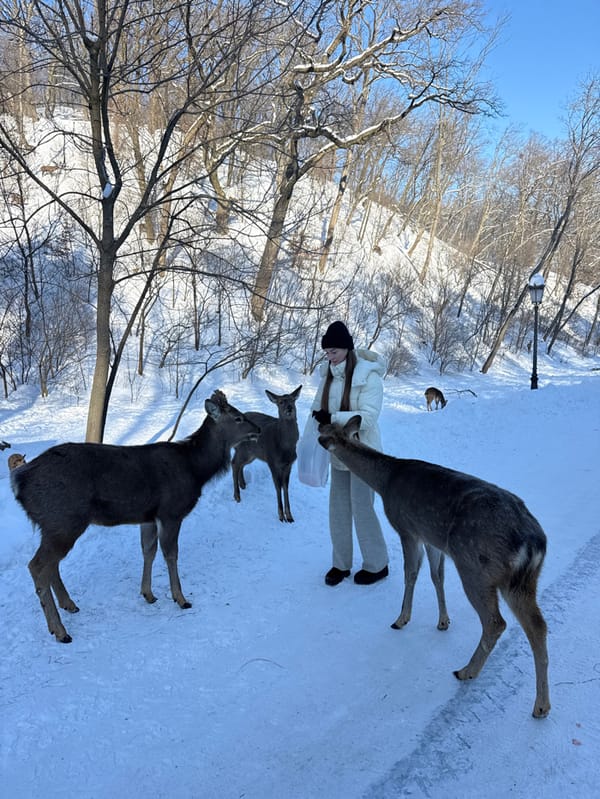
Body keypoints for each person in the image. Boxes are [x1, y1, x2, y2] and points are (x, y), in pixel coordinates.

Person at [310, 321, 389, 586]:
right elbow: (315, 409)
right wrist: (309, 434)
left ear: (346, 348)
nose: (329, 356)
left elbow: (368, 417)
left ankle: (377, 564)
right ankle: (340, 564)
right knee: (338, 510)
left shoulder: (369, 375)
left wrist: (332, 417)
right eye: (327, 352)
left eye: (333, 351)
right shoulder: (328, 375)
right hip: (339, 453)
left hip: (364, 454)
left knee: (363, 508)